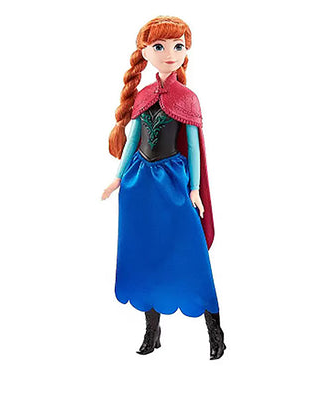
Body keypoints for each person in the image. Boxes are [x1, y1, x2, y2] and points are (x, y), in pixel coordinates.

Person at [101, 16, 226, 360]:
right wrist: (118, 176)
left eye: (178, 46)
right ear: (145, 52)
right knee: (144, 252)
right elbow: (133, 141)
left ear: (186, 51)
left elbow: (194, 146)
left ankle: (215, 331)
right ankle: (151, 330)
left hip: (172, 182)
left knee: (191, 252)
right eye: (159, 47)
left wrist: (195, 188)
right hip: (139, 183)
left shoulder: (187, 98)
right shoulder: (143, 96)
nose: (170, 54)